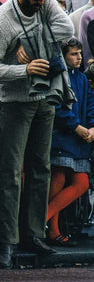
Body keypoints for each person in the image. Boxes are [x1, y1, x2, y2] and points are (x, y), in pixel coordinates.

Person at [0, 0, 73, 269]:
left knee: (40, 169)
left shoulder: (45, 2)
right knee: (10, 172)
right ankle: (6, 240)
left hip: (45, 97)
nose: (41, 4)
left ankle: (34, 234)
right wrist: (24, 69)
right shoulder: (2, 20)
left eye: (44, 0)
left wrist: (32, 39)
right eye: (35, 0)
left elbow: (68, 31)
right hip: (15, 102)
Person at [46, 38, 94, 247]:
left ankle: (44, 219)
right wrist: (76, 126)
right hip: (63, 136)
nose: (79, 57)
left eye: (79, 54)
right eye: (74, 54)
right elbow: (56, 107)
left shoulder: (82, 79)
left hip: (79, 139)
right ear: (64, 56)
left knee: (81, 183)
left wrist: (92, 127)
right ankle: (53, 230)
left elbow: (91, 104)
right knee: (57, 180)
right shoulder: (59, 75)